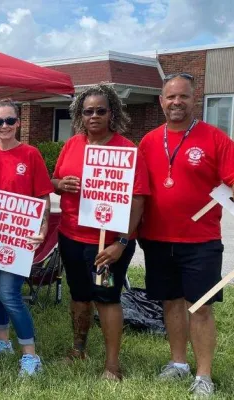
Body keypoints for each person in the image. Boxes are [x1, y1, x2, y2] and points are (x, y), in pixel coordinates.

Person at [138, 73, 234, 397]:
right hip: (156, 239)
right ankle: (178, 364)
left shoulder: (215, 139)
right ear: (161, 101)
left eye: (183, 96)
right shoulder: (149, 141)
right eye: (170, 97)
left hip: (200, 241)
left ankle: (203, 376)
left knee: (201, 307)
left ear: (194, 99)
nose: (176, 102)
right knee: (171, 303)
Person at [52, 83, 149, 380]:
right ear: (80, 115)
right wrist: (60, 184)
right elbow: (54, 180)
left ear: (112, 113)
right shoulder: (72, 144)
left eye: (100, 111)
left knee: (107, 298)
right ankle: (78, 349)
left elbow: (138, 201)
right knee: (79, 296)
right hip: (70, 236)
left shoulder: (127, 150)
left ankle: (112, 366)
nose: (94, 116)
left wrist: (121, 242)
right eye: (88, 111)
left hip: (106, 245)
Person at [0, 98, 52, 377]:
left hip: (19, 235)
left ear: (19, 122)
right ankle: (2, 342)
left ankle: (31, 356)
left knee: (10, 295)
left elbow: (43, 195)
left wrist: (42, 228)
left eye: (10, 120)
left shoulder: (30, 154)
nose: (4, 126)